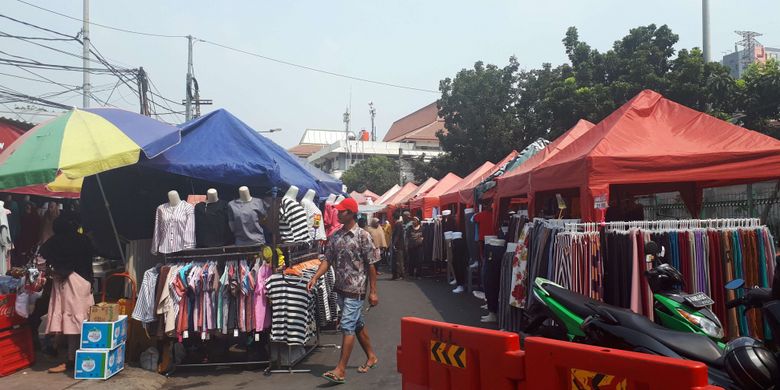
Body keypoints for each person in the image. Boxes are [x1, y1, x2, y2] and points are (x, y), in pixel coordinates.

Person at [307, 197, 379, 385]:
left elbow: (372, 265)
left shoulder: (363, 236)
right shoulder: (336, 236)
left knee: (347, 326)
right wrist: (315, 277)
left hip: (356, 290)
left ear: (351, 213)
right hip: (340, 289)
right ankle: (371, 356)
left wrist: (373, 292)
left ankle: (340, 370)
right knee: (357, 324)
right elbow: (327, 260)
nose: (337, 213)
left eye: (341, 211)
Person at [41, 215, 95, 374]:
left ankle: (70, 359)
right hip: (83, 282)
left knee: (70, 321)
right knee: (78, 320)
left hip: (69, 282)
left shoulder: (57, 241)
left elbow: (44, 251)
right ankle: (70, 355)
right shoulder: (83, 240)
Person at [391, 211, 407, 280]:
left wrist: (394, 244)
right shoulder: (399, 224)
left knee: (399, 261)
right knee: (398, 260)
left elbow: (397, 235)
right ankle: (399, 275)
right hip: (400, 244)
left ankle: (400, 275)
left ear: (394, 217)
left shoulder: (398, 224)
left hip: (398, 245)